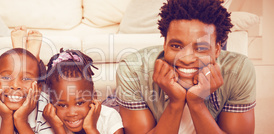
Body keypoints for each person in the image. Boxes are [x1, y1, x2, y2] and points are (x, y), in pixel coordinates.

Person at [115, 0, 256, 133]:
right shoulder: (132, 69)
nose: (187, 59)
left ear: (217, 49)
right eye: (176, 46)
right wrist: (175, 103)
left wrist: (197, 104)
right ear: (164, 44)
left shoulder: (238, 71)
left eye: (201, 48)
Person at [0, 28, 53, 134]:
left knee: (47, 83)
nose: (15, 85)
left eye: (26, 78)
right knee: (27, 68)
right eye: (6, 77)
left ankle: (29, 56)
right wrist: (6, 117)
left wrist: (21, 120)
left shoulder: (45, 108)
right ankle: (27, 56)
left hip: (39, 92)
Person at [43, 49, 124, 134]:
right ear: (51, 103)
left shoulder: (109, 117)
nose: (72, 113)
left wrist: (90, 128)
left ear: (94, 97)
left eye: (79, 103)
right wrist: (58, 128)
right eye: (62, 105)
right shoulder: (51, 121)